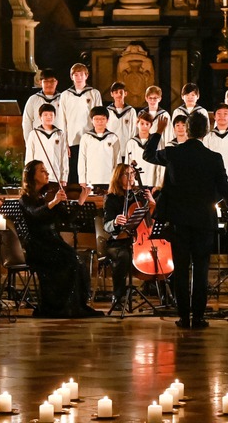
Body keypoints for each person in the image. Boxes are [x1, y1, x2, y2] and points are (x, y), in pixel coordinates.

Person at [142, 113, 228, 328]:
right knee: (201, 270)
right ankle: (199, 317)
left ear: (188, 130)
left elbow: (148, 155)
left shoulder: (174, 153)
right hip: (204, 221)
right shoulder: (214, 158)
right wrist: (214, 200)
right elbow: (225, 192)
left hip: (179, 221)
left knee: (181, 270)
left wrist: (158, 131)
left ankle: (184, 317)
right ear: (206, 131)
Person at [18, 160, 100, 318]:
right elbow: (35, 214)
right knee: (70, 262)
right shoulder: (26, 199)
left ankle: (74, 305)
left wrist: (81, 200)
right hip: (38, 245)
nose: (47, 173)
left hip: (53, 241)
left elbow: (68, 219)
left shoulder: (48, 195)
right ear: (32, 176)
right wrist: (54, 202)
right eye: (42, 171)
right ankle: (58, 306)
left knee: (77, 261)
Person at [103, 163, 154, 313]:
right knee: (123, 256)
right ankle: (118, 297)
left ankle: (166, 296)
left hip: (140, 241)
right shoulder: (111, 198)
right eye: (127, 174)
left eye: (133, 174)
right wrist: (115, 221)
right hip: (118, 241)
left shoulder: (140, 196)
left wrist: (152, 203)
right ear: (118, 177)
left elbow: (152, 218)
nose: (131, 177)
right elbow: (106, 226)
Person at [61, 63, 103, 185]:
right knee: (73, 171)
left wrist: (98, 137)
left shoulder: (94, 93)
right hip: (72, 140)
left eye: (81, 74)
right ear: (71, 77)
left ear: (86, 76)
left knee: (90, 170)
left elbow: (99, 117)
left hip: (90, 138)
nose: (78, 77)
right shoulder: (65, 95)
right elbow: (62, 120)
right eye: (75, 74)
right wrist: (65, 142)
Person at [79, 106, 121, 193]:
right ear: (91, 120)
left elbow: (117, 160)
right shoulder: (86, 137)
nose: (99, 122)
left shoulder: (113, 137)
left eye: (102, 119)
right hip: (91, 179)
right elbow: (82, 159)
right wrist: (82, 180)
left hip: (109, 179)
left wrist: (117, 178)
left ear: (107, 120)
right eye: (96, 119)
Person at [25, 103, 69, 181]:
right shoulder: (34, 134)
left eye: (51, 115)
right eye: (45, 115)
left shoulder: (59, 134)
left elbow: (64, 157)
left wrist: (64, 177)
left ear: (55, 117)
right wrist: (29, 176)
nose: (49, 117)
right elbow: (29, 156)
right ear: (40, 117)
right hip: (38, 177)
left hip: (56, 176)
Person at [21, 70, 62, 141]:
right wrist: (29, 142)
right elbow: (27, 121)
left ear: (56, 82)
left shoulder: (63, 99)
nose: (49, 84)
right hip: (38, 140)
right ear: (40, 82)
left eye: (52, 81)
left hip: (58, 140)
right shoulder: (33, 99)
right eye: (46, 81)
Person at [106, 82, 137, 146]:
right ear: (112, 94)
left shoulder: (131, 111)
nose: (118, 95)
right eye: (116, 92)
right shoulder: (108, 111)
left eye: (121, 92)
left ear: (125, 93)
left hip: (126, 146)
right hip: (111, 146)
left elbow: (134, 131)